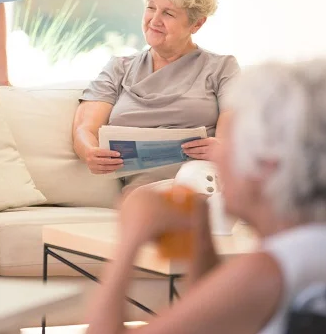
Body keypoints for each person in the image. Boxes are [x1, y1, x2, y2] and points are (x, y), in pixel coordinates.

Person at [85, 59, 326, 334]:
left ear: (266, 165)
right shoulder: (311, 251)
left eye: (230, 144)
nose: (218, 155)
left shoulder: (267, 272)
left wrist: (130, 239)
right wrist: (201, 233)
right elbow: (212, 324)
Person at [73, 0, 240, 190]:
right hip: (142, 186)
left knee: (190, 187)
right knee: (144, 198)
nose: (154, 20)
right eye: (151, 7)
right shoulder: (119, 68)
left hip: (200, 178)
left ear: (196, 24)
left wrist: (220, 146)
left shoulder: (222, 67)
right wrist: (89, 152)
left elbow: (232, 134)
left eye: (168, 13)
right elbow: (85, 129)